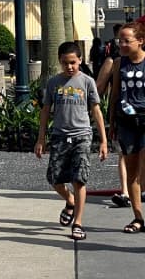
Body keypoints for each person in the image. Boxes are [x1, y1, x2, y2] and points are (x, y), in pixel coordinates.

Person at [34, 41, 107, 241]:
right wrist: (41, 138)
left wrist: (103, 140)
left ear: (80, 61)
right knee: (55, 179)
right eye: (65, 63)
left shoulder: (87, 82)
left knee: (79, 179)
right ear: (59, 62)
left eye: (73, 62)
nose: (69, 67)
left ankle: (78, 222)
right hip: (59, 136)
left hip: (82, 136)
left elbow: (96, 111)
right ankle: (70, 201)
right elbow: (45, 111)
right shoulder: (53, 83)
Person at [108, 18, 145, 234]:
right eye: (119, 40)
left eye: (126, 40)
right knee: (131, 173)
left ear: (140, 41)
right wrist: (111, 122)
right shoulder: (119, 63)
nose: (121, 44)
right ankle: (138, 217)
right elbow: (114, 96)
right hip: (127, 123)